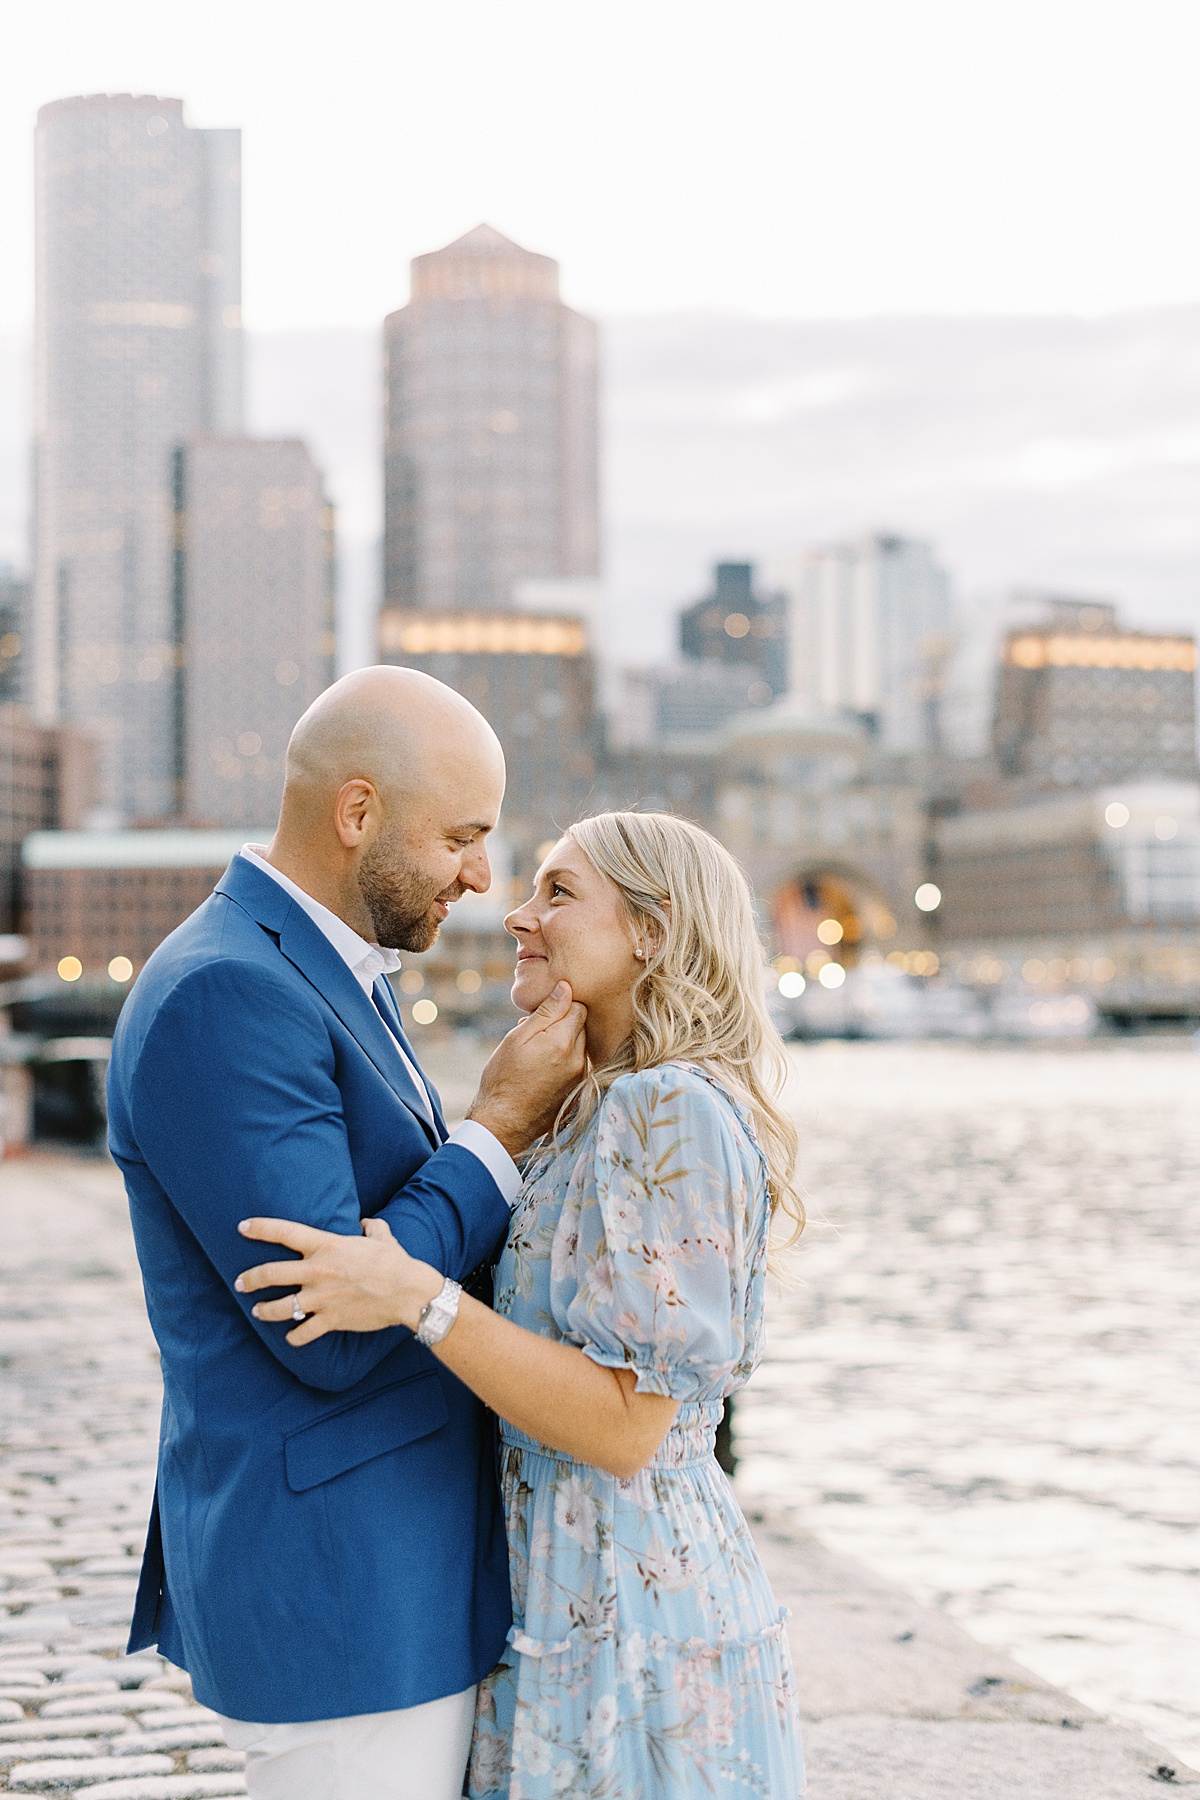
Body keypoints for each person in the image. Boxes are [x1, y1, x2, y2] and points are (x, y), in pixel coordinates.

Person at [238, 809, 807, 1798]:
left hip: (634, 1616)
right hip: (558, 1599)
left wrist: (415, 1296)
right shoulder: (598, 1106)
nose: (516, 914)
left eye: (558, 892)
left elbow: (629, 1425)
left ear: (653, 930)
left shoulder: (667, 1108)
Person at [106, 668, 587, 1800]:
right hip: (341, 1591)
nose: (481, 875)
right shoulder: (226, 995)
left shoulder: (315, 970)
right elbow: (325, 1330)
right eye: (463, 837)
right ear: (358, 813)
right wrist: (499, 1132)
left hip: (391, 1574)